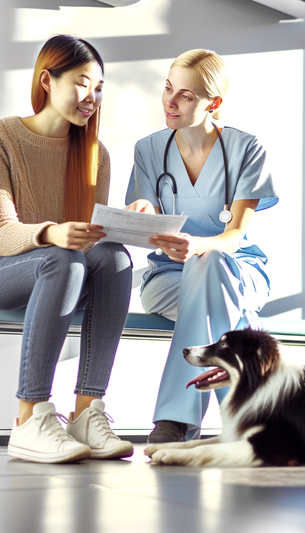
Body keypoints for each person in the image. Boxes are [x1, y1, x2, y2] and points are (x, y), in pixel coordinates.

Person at [125, 49, 278, 443]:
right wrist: (142, 212)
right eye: (168, 88)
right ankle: (249, 418)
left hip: (239, 269)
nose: (170, 102)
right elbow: (148, 226)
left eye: (186, 96)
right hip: (167, 278)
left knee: (210, 263)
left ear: (215, 103)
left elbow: (236, 236)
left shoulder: (247, 149)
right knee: (214, 293)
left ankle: (176, 420)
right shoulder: (148, 150)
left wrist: (198, 246)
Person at [0, 35, 134, 463]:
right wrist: (51, 233)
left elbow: (89, 243)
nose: (91, 97)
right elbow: (3, 232)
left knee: (113, 257)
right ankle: (30, 418)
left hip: (63, 272)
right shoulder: (4, 139)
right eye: (82, 83)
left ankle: (85, 411)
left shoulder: (97, 155)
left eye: (98, 88)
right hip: (10, 270)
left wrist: (126, 221)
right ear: (47, 80)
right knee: (60, 259)